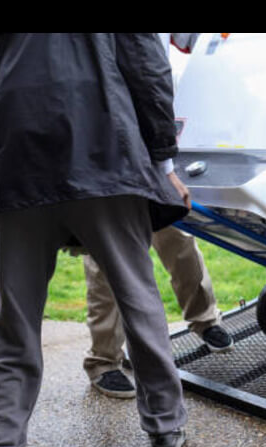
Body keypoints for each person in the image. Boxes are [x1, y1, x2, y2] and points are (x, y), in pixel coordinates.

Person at [0, 33, 192, 447]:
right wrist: (163, 158)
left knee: (16, 314)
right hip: (104, 143)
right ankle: (165, 427)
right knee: (137, 297)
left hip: (20, 151)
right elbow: (147, 64)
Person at [84, 32, 234, 400]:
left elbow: (191, 41)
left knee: (177, 237)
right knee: (105, 256)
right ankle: (104, 359)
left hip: (154, 135)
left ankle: (204, 319)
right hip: (101, 136)